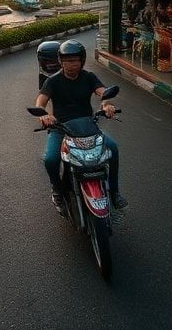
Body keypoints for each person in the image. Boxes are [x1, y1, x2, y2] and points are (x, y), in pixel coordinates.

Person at [34, 39, 124, 214]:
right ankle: (57, 190)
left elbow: (102, 92)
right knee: (51, 159)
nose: (71, 64)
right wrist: (44, 114)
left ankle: (114, 192)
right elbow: (41, 101)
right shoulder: (52, 81)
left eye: (74, 60)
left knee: (112, 148)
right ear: (60, 61)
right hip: (61, 128)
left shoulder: (89, 77)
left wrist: (106, 104)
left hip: (87, 126)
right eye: (67, 60)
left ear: (81, 60)